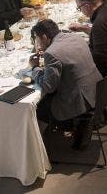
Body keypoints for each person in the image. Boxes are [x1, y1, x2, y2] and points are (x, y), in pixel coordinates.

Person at [30, 19, 102, 150]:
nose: (38, 43)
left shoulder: (51, 53)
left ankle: (38, 149)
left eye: (37, 39)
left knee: (35, 107)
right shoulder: (75, 37)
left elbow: (48, 87)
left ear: (44, 37)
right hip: (96, 90)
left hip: (78, 101)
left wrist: (35, 69)